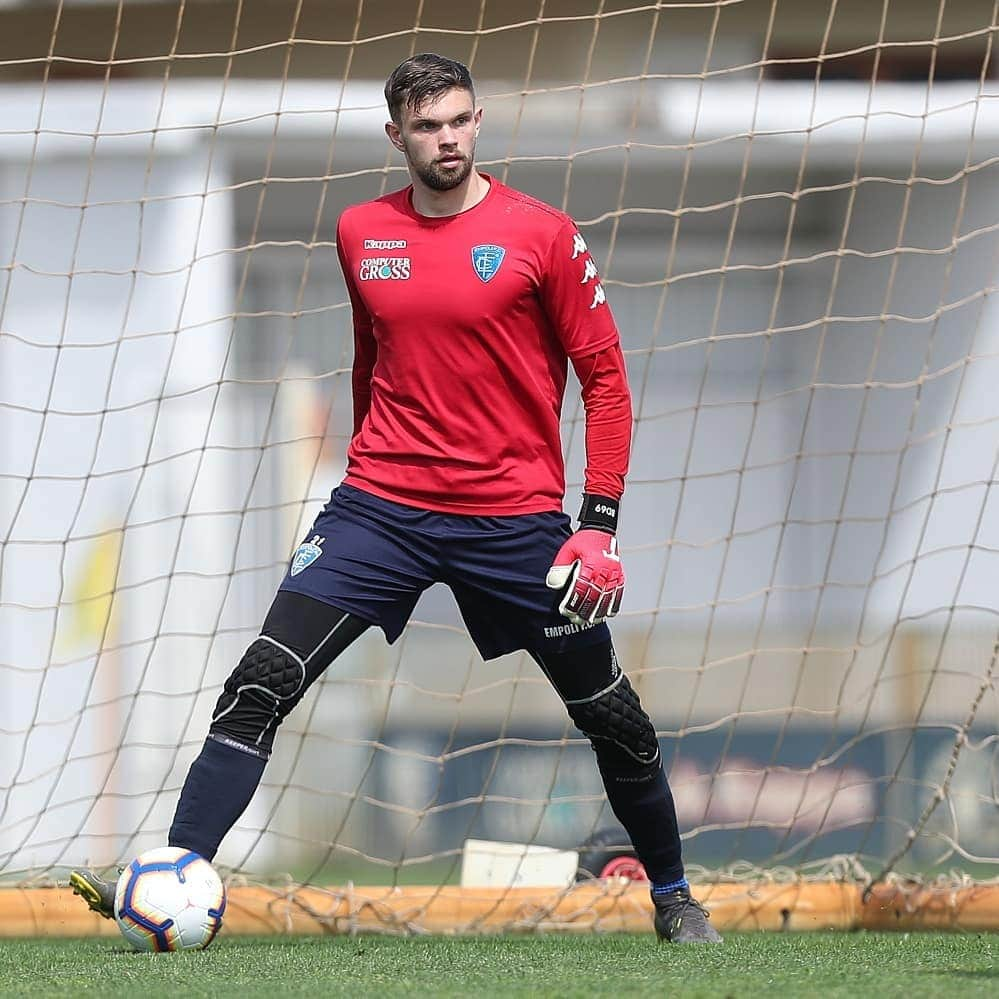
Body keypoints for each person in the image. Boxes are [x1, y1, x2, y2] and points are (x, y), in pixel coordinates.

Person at [70, 53, 721, 945]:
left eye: (458, 120)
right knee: (259, 679)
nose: (445, 138)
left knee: (611, 713)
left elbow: (605, 382)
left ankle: (674, 896)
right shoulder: (359, 232)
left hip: (516, 521)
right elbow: (370, 363)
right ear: (396, 136)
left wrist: (596, 525)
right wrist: (367, 481)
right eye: (426, 126)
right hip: (379, 510)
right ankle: (178, 879)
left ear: (478, 120)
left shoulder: (543, 234)